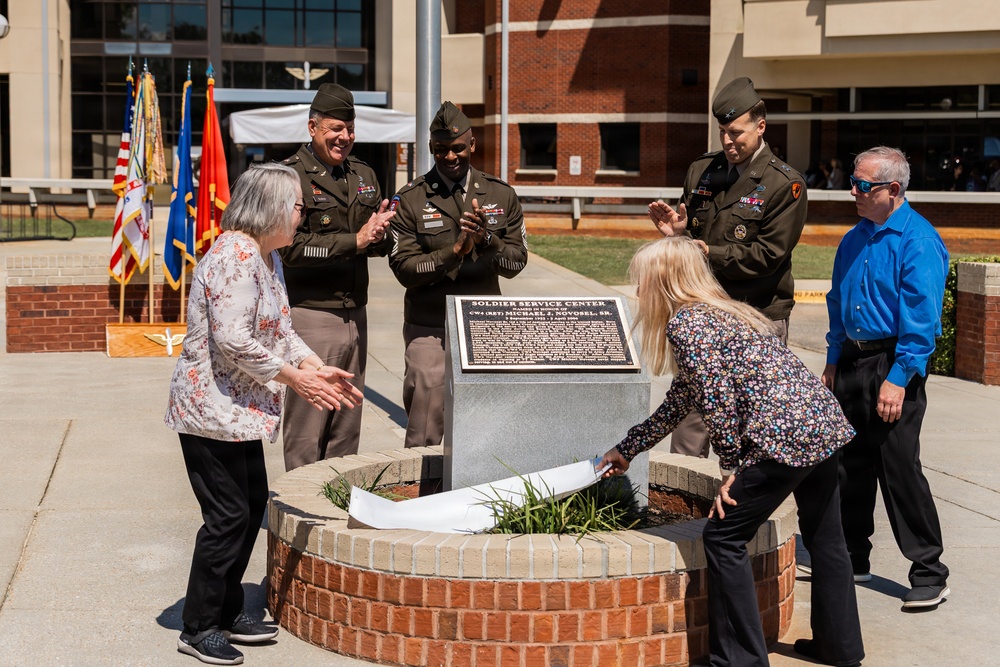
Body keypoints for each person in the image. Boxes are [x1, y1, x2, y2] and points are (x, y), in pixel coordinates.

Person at [598, 237, 864, 667]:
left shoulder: (687, 323)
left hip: (784, 438)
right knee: (826, 536)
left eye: (642, 281)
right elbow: (682, 399)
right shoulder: (724, 313)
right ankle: (840, 647)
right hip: (822, 426)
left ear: (664, 281)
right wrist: (627, 449)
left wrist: (731, 468)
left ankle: (740, 660)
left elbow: (717, 398)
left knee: (722, 538)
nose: (638, 291)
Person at [165, 163, 364, 665]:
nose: (304, 213)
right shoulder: (234, 256)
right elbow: (234, 340)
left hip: (236, 413)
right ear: (273, 208)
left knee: (251, 506)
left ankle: (228, 608)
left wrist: (315, 365)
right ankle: (200, 624)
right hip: (210, 411)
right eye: (298, 205)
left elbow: (280, 327)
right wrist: (295, 379)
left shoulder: (266, 256)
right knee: (228, 516)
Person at [646, 76, 807, 458]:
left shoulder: (784, 184)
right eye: (722, 132)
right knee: (690, 418)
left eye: (736, 132)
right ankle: (683, 502)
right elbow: (691, 237)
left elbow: (770, 254)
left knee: (756, 419)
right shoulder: (702, 170)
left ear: (760, 126)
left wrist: (706, 252)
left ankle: (744, 508)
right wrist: (678, 234)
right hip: (703, 313)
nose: (728, 142)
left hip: (757, 314)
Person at [823, 146, 951, 609]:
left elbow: (922, 322)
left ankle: (929, 571)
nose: (852, 192)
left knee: (897, 469)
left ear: (893, 190)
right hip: (853, 363)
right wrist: (834, 360)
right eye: (852, 182)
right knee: (848, 467)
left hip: (893, 365)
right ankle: (853, 557)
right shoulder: (854, 237)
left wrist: (898, 378)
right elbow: (838, 301)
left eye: (862, 185)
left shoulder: (918, 242)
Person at [388, 101, 528, 448]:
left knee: (487, 428)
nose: (450, 157)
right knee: (425, 420)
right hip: (430, 324)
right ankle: (424, 494)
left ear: (472, 145)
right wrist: (454, 251)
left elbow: (516, 263)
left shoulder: (500, 194)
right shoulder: (411, 199)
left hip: (484, 323)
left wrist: (487, 240)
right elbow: (405, 269)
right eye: (440, 150)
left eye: (457, 148)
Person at [277, 83, 395, 471]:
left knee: (346, 427)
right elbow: (290, 249)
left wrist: (379, 235)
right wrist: (355, 240)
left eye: (349, 128)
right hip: (311, 317)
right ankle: (297, 517)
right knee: (308, 429)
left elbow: (371, 242)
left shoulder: (362, 174)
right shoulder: (290, 176)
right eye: (334, 128)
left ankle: (334, 511)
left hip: (355, 316)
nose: (344, 137)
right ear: (312, 127)